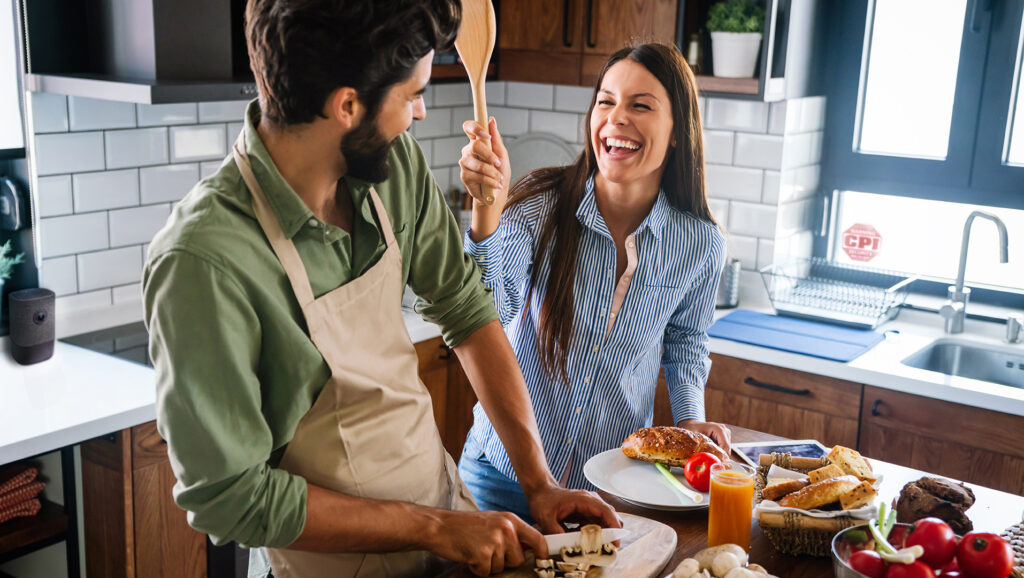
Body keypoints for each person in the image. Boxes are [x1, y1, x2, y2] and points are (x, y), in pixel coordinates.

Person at [141, 1, 618, 577]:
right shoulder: (203, 260)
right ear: (347, 105)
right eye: (412, 94)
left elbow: (467, 310)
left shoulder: (392, 171)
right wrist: (435, 528)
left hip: (447, 537)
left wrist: (537, 482)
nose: (419, 114)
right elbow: (231, 498)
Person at [456, 43, 731, 519]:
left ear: (677, 132)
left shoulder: (700, 244)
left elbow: (686, 340)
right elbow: (487, 315)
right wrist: (486, 214)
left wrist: (690, 420)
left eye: (640, 105)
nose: (616, 118)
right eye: (606, 101)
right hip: (499, 477)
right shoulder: (539, 207)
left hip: (607, 485)